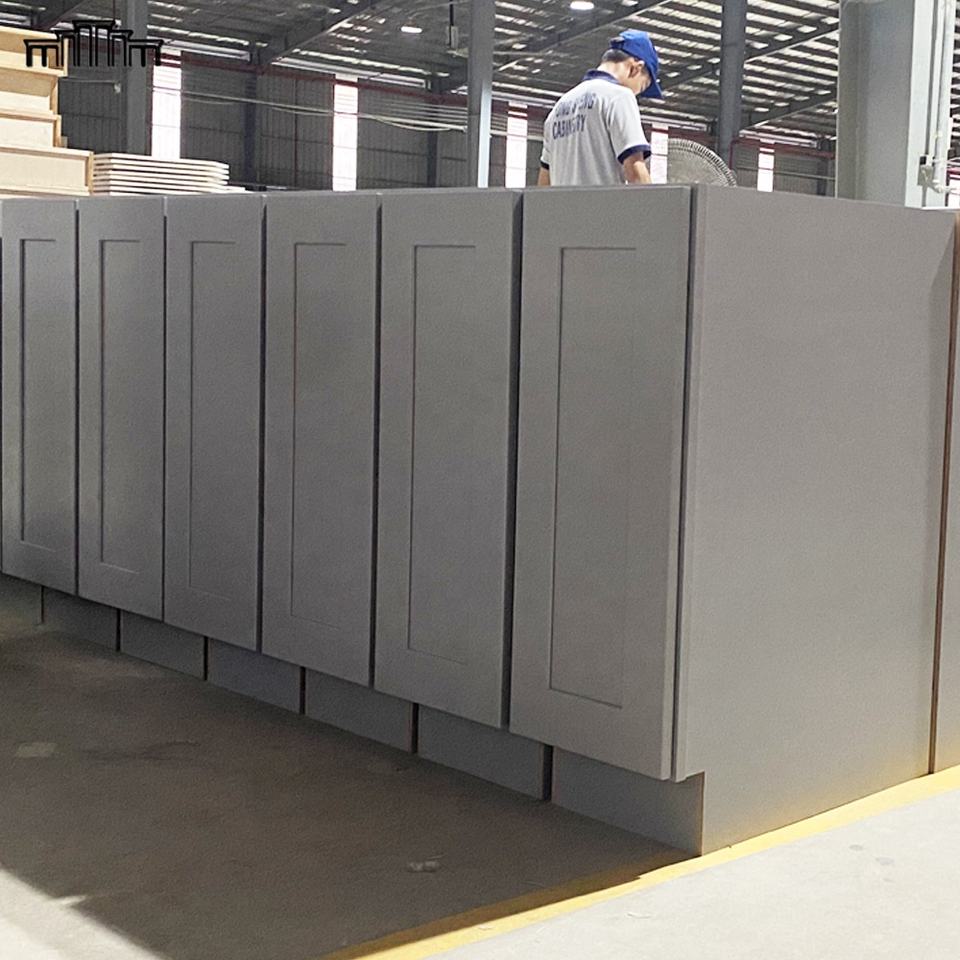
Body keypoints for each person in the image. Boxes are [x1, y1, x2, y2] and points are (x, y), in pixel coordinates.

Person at [538, 29, 662, 187]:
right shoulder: (619, 97)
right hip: (603, 203)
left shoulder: (559, 108)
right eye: (642, 86)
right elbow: (635, 173)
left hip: (561, 203)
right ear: (635, 68)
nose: (637, 94)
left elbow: (544, 184)